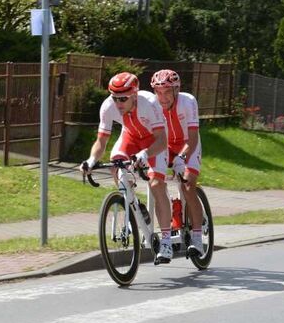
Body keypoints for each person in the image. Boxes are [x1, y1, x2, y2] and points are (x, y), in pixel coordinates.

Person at [80, 71, 175, 264]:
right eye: (115, 98)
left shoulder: (149, 103)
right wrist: (90, 160)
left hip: (154, 141)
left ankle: (166, 241)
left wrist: (146, 154)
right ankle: (135, 205)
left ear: (134, 95)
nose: (118, 103)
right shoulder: (108, 107)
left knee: (156, 184)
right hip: (130, 137)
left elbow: (162, 141)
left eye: (123, 98)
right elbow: (102, 141)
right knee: (115, 165)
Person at [150, 69, 204, 259]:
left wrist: (181, 157)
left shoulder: (188, 102)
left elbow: (193, 137)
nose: (162, 98)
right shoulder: (153, 106)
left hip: (188, 144)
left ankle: (197, 239)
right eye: (158, 92)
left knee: (188, 186)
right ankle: (170, 226)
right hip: (165, 146)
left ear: (176, 90)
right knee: (156, 182)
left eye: (167, 92)